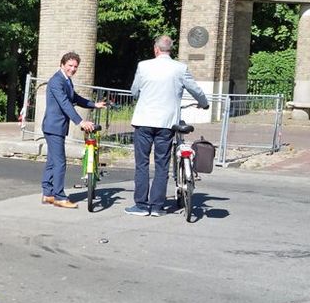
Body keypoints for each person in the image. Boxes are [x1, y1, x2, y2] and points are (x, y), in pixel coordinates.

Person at [126, 35, 209, 217]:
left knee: (142, 163)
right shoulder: (180, 68)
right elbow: (195, 89)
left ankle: (140, 205)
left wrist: (140, 96)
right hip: (166, 123)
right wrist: (204, 103)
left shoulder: (143, 66)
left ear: (156, 49)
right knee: (162, 164)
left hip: (143, 121)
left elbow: (134, 90)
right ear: (170, 49)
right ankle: (156, 207)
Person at [41, 51, 106, 209]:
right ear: (62, 64)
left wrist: (93, 104)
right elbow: (65, 103)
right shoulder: (56, 81)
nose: (73, 69)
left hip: (57, 127)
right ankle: (59, 197)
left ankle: (48, 194)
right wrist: (80, 121)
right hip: (54, 126)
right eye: (70, 65)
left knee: (52, 161)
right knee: (60, 162)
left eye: (75, 66)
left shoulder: (66, 80)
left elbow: (75, 98)